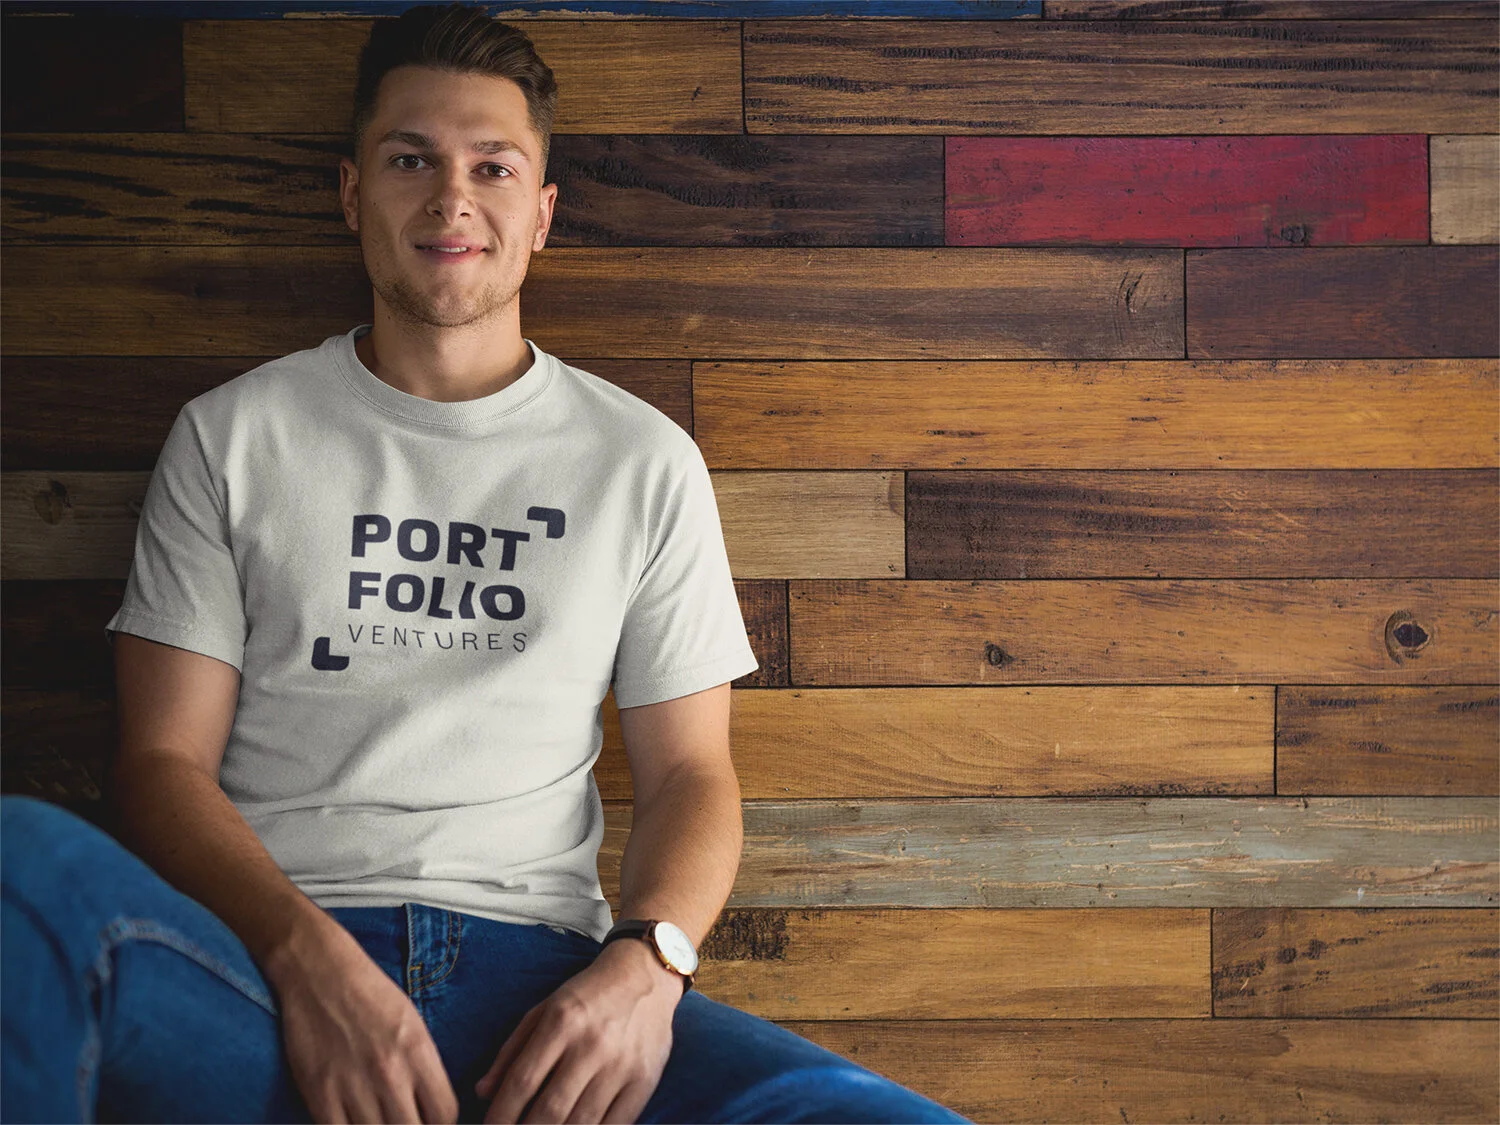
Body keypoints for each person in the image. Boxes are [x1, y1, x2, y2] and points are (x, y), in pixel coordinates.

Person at [0, 5, 971, 1124]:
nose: (451, 196)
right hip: (268, 978)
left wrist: (649, 969)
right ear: (353, 193)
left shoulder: (641, 461)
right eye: (410, 158)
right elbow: (161, 766)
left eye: (492, 166)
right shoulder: (234, 436)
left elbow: (693, 776)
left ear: (542, 213)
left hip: (552, 999)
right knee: (21, 860)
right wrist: (307, 964)